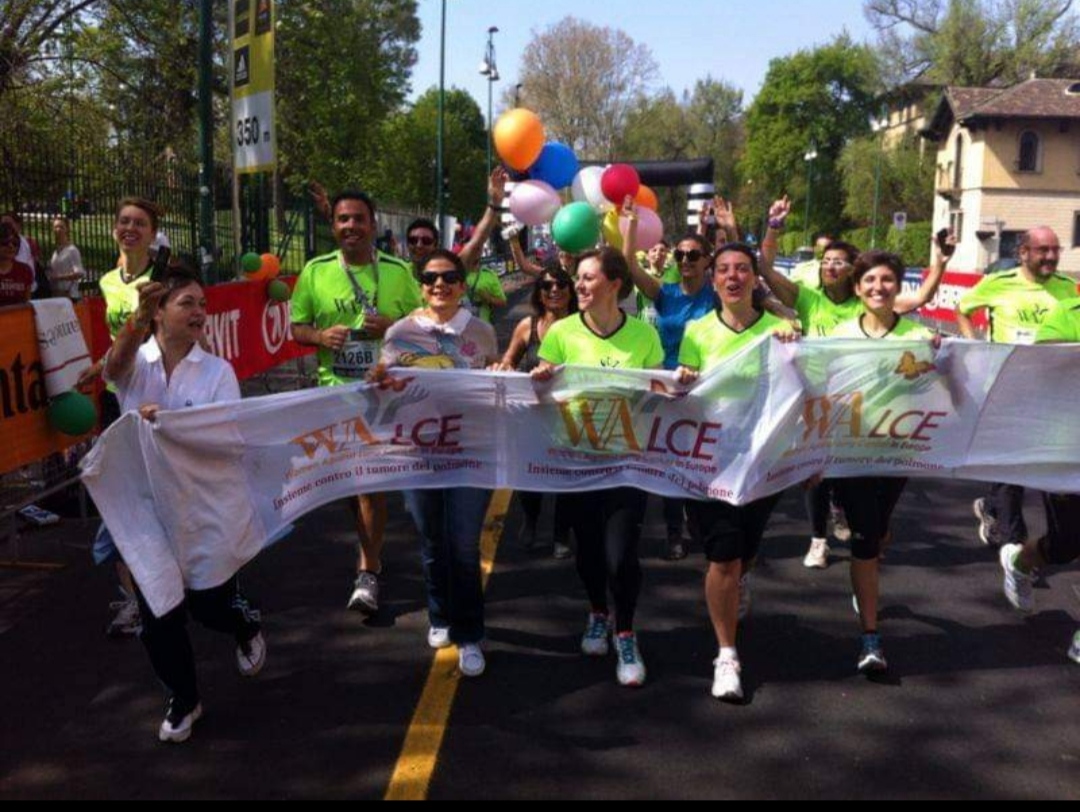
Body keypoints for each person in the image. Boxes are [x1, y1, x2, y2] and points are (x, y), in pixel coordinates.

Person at [103, 263, 265, 743]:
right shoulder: (136, 360)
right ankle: (185, 697)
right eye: (186, 303)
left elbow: (227, 440)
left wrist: (170, 424)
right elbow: (111, 371)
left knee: (208, 607)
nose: (199, 312)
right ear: (159, 312)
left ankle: (243, 621)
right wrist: (135, 321)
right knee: (159, 614)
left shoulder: (217, 372)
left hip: (204, 509)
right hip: (148, 509)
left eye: (202, 304)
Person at [759, 197, 952, 568]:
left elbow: (923, 297)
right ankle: (818, 539)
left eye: (839, 261)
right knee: (814, 472)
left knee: (850, 483)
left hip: (863, 406)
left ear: (854, 272)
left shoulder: (868, 303)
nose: (830, 266)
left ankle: (854, 521)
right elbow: (765, 269)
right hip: (816, 398)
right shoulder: (808, 299)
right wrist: (774, 227)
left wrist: (940, 264)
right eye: (826, 261)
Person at [532, 247, 664, 688]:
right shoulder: (562, 333)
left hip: (627, 460)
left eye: (588, 278)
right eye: (578, 279)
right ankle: (597, 613)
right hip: (575, 461)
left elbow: (655, 393)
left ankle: (625, 633)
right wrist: (541, 380)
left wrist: (674, 385)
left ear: (614, 284)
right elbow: (540, 395)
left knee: (621, 554)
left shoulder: (643, 336)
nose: (580, 286)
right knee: (588, 553)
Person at [290, 189, 422, 615]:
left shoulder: (400, 272)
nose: (350, 226)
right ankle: (371, 553)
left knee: (371, 482)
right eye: (343, 219)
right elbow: (297, 327)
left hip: (383, 395)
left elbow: (424, 329)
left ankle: (368, 570)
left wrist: (391, 327)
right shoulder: (315, 271)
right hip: (335, 391)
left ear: (372, 223)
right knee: (351, 482)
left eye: (358, 219)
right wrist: (320, 337)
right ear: (334, 226)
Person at [676, 242, 797, 701]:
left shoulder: (781, 332)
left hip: (763, 460)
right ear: (714, 280)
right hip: (710, 461)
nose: (732, 277)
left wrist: (792, 337)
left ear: (754, 279)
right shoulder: (697, 331)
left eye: (741, 270)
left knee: (744, 550)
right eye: (723, 270)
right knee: (722, 555)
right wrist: (684, 380)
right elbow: (686, 388)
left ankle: (742, 576)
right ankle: (727, 656)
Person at [374, 249, 499, 677]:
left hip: (470, 453)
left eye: (448, 278)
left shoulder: (481, 333)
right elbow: (387, 391)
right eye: (430, 278)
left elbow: (491, 389)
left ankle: (470, 634)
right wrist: (380, 382)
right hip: (419, 456)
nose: (439, 285)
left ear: (463, 286)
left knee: (463, 544)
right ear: (421, 285)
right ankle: (440, 613)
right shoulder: (399, 332)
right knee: (432, 539)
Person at [826, 250, 939, 676]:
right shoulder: (837, 335)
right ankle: (870, 638)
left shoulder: (918, 338)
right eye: (870, 281)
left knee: (879, 530)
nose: (878, 288)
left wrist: (941, 356)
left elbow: (942, 387)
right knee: (865, 537)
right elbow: (814, 387)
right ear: (857, 288)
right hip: (851, 454)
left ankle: (867, 571)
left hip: (897, 453)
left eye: (887, 280)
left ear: (899, 286)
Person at [957, 227, 1077, 550]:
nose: (1051, 256)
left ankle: (993, 508)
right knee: (1011, 466)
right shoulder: (999, 284)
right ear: (1023, 252)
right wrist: (976, 347)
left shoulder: (1069, 289)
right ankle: (1015, 544)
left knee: (1044, 465)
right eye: (1043, 250)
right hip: (1006, 388)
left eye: (1055, 250)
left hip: (1053, 393)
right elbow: (963, 309)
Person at [77, 197, 164, 638]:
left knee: (159, 495)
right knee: (118, 496)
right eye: (124, 222)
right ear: (115, 230)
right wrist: (101, 364)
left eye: (140, 223)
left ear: (153, 233)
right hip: (117, 397)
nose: (130, 228)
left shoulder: (165, 277)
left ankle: (175, 585)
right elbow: (120, 338)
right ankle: (134, 600)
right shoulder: (109, 279)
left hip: (153, 398)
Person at [624, 206, 717, 561]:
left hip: (707, 387)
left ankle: (700, 521)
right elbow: (632, 268)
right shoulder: (664, 292)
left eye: (693, 255)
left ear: (707, 261)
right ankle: (674, 531)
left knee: (702, 458)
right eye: (680, 254)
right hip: (667, 386)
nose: (685, 259)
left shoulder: (719, 294)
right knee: (670, 457)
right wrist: (631, 228)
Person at [995, 298, 1080, 663]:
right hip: (1067, 447)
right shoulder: (1068, 314)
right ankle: (1020, 562)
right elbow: (1042, 371)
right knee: (1065, 546)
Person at [494, 263, 578, 559]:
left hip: (570, 418)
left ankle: (560, 533)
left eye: (560, 285)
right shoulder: (527, 326)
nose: (554, 290)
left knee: (567, 478)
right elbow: (509, 360)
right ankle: (530, 521)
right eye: (546, 286)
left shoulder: (583, 325)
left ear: (571, 291)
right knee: (530, 476)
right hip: (531, 417)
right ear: (539, 294)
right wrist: (501, 368)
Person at [47, 217, 86, 301]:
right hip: (56, 295)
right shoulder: (55, 252)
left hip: (69, 295)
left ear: (67, 229)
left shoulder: (72, 250)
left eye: (61, 227)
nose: (58, 229)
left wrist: (58, 278)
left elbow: (79, 273)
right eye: (56, 227)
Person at [0, 222, 35, 306]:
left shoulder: (25, 270)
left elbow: (26, 303)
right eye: (5, 242)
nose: (11, 246)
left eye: (15, 243)